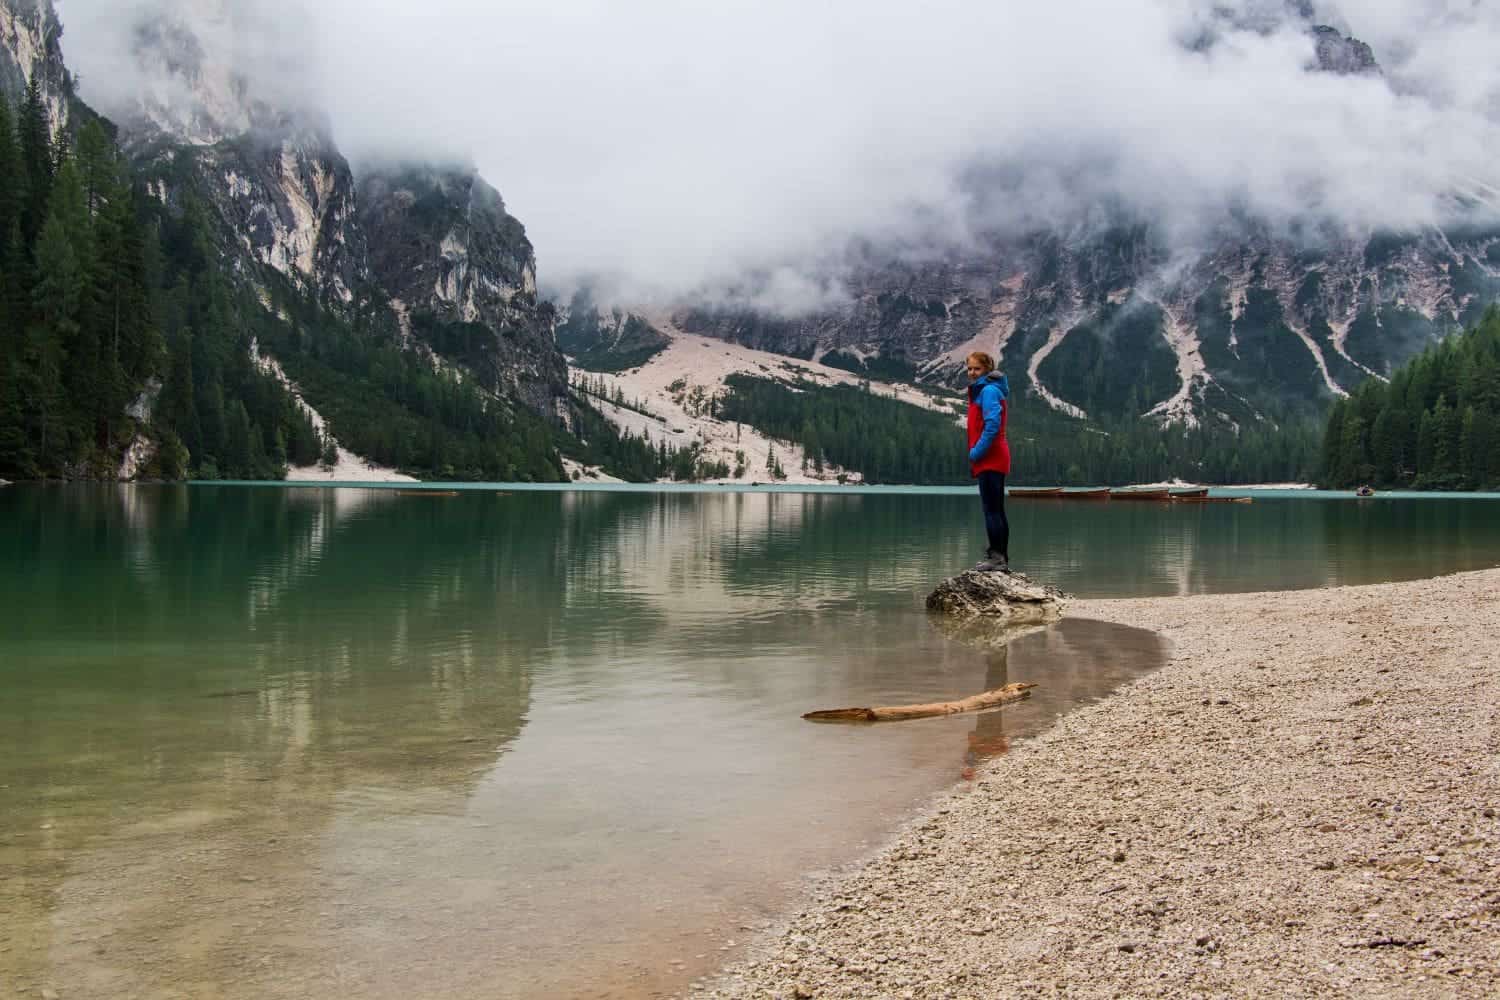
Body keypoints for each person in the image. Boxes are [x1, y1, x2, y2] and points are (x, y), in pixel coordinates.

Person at [966, 352, 1011, 572]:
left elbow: (993, 425)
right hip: (992, 457)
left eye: (977, 369)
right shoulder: (987, 390)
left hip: (991, 457)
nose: (972, 373)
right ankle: (1000, 557)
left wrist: (976, 452)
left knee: (992, 510)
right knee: (996, 510)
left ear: (987, 369)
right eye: (970, 369)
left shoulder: (989, 391)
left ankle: (997, 558)